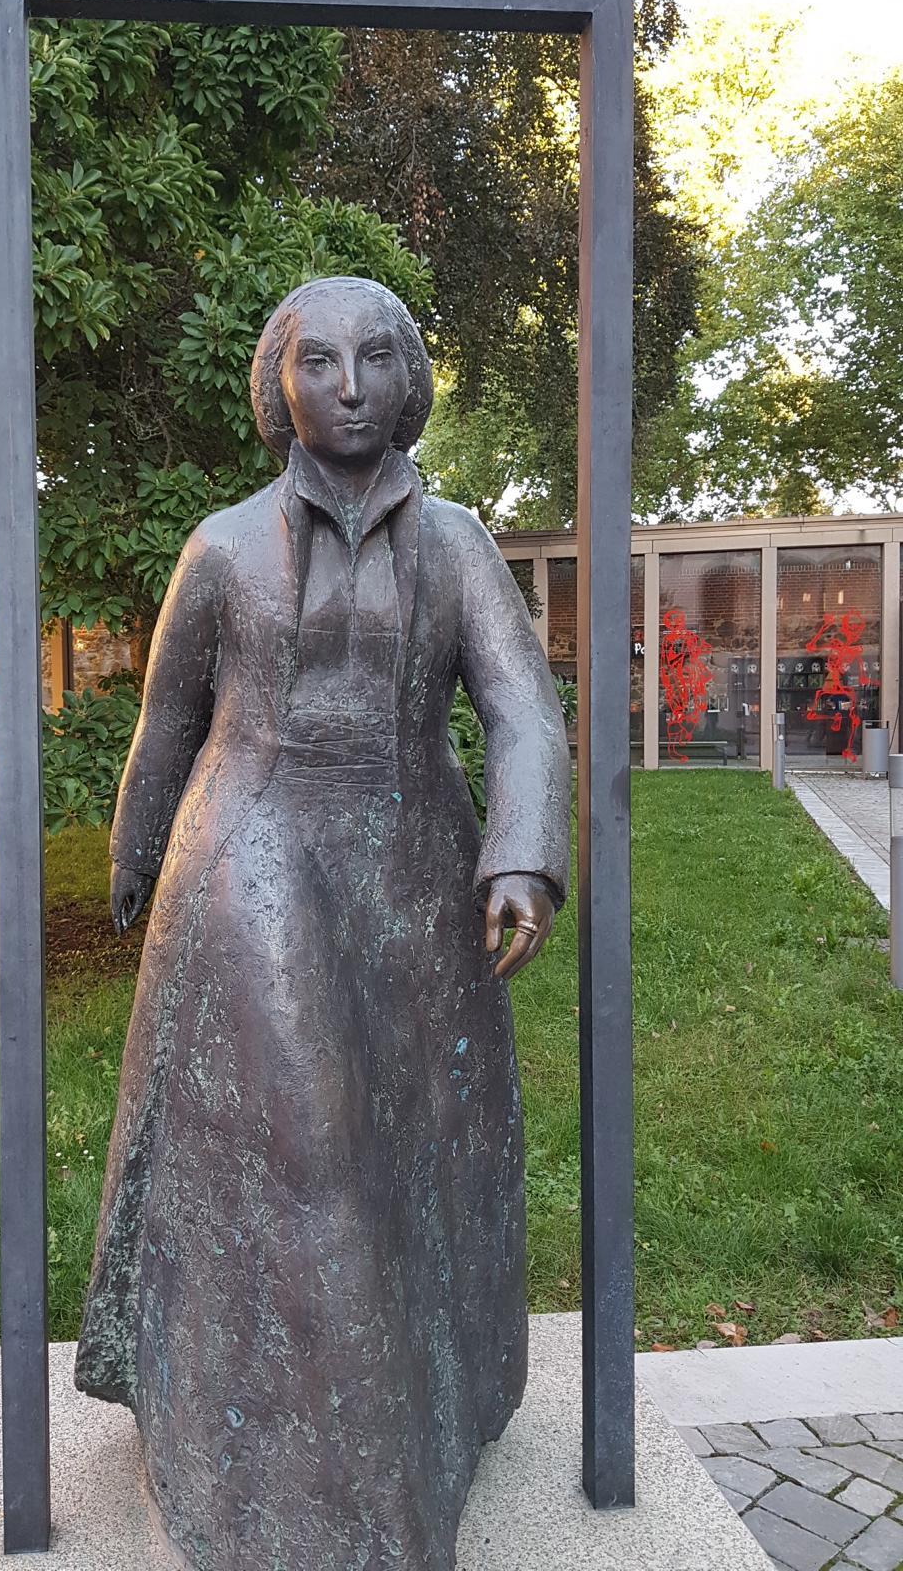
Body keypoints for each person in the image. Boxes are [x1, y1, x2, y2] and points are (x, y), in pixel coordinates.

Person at [76, 276, 571, 1571]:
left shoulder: (456, 544)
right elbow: (169, 720)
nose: (349, 387)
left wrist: (523, 855)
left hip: (414, 863)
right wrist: (134, 851)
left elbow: (522, 707)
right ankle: (310, 1495)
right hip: (253, 849)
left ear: (410, 381)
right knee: (315, 1138)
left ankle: (428, 1416)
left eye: (377, 359)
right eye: (319, 362)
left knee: (423, 1140)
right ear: (278, 384)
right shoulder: (223, 548)